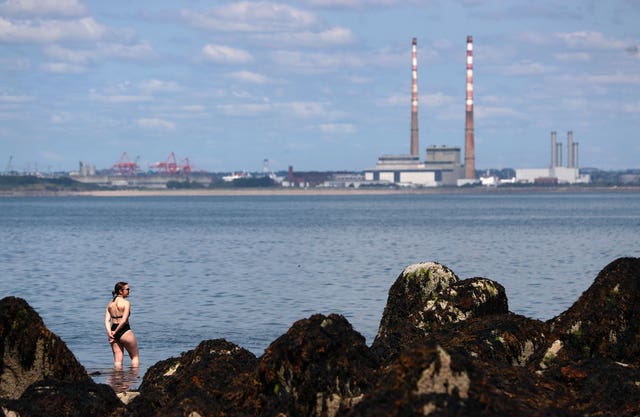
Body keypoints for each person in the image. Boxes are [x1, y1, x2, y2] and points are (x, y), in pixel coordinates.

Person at [105, 281, 139, 369]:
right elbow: (123, 320)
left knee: (117, 360)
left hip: (113, 329)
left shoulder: (110, 304)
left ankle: (117, 379)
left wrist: (110, 333)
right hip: (124, 330)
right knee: (134, 356)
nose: (129, 291)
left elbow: (107, 320)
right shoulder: (126, 303)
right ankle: (135, 379)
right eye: (127, 289)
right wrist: (116, 332)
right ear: (120, 291)